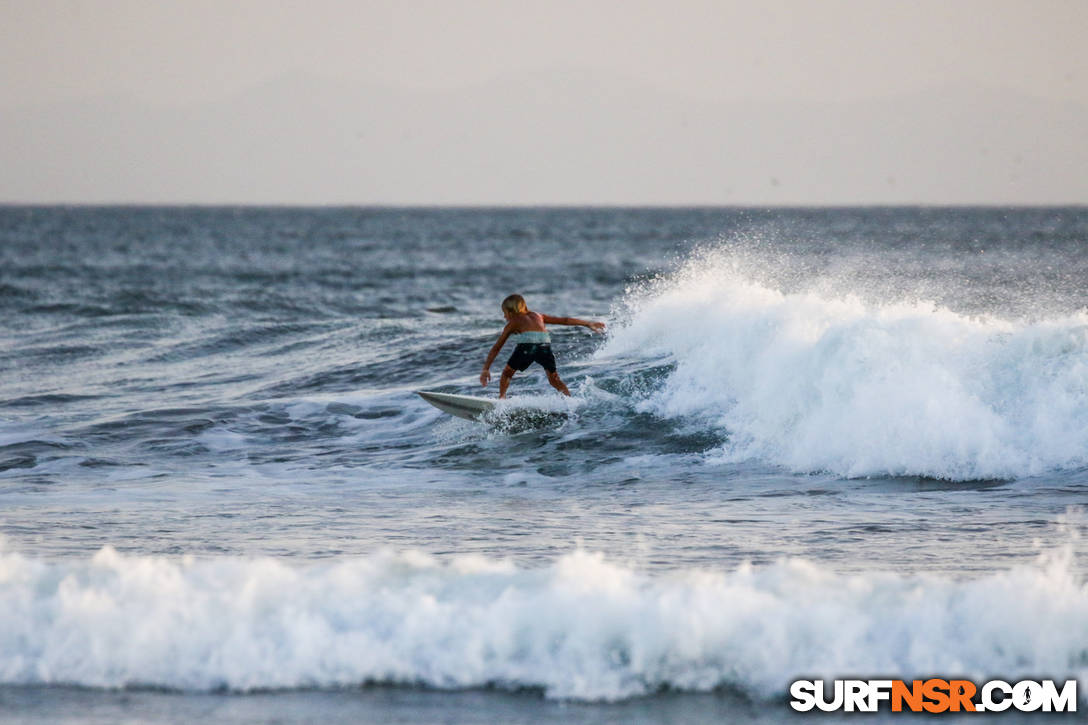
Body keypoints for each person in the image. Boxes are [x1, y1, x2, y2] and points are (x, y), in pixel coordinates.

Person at [480, 294, 605, 398]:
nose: (504, 316)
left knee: (507, 374)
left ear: (512, 312)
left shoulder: (514, 322)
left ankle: (501, 400)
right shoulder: (538, 315)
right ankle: (569, 399)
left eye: (505, 313)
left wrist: (486, 368)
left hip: (527, 345)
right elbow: (565, 320)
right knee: (554, 379)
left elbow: (497, 347)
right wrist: (588, 323)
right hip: (545, 345)